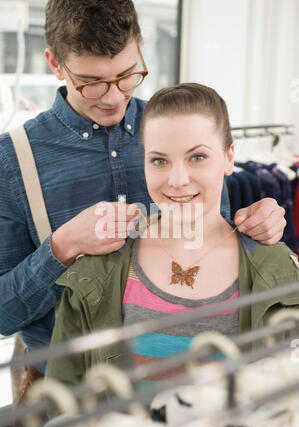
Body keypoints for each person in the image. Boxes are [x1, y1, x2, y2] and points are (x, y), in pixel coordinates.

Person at [0, 0, 286, 381]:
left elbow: (213, 242)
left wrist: (258, 224)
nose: (114, 97)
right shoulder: (11, 161)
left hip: (192, 382)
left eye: (127, 74)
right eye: (92, 82)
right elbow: (4, 315)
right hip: (62, 383)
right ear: (55, 64)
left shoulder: (177, 128)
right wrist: (62, 247)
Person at [45, 83, 299, 387]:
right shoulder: (99, 267)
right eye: (159, 160)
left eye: (197, 157)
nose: (178, 180)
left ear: (229, 157)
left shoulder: (279, 270)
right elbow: (63, 401)